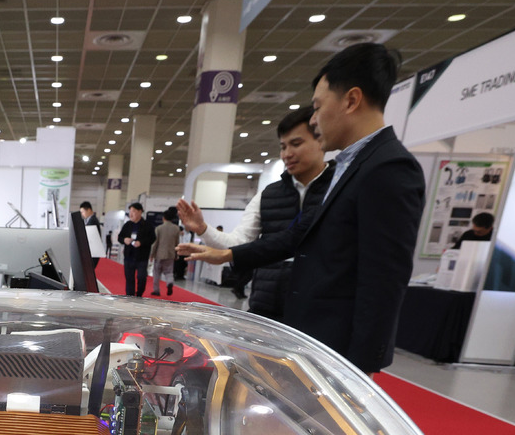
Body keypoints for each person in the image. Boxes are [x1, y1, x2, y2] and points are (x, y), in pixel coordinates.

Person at [177, 43, 425, 374]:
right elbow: (296, 236)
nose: (314, 119)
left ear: (351, 100)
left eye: (318, 107)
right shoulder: (347, 168)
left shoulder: (389, 168)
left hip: (338, 348)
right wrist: (226, 255)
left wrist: (362, 368)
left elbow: (384, 279)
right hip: (310, 335)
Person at [177, 106, 334, 320]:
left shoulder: (339, 189)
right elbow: (238, 242)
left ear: (321, 140)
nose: (287, 154)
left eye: (296, 144)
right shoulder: (268, 195)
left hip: (320, 308)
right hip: (268, 304)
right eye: (283, 146)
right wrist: (203, 229)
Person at [117, 203, 155, 296]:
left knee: (141, 277)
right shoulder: (127, 225)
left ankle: (139, 294)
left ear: (140, 211)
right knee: (129, 278)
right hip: (129, 256)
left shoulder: (147, 225)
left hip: (142, 257)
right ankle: (130, 297)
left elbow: (152, 238)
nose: (131, 214)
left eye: (133, 211)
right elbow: (120, 237)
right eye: (130, 211)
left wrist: (141, 242)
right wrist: (124, 240)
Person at [150, 207, 181, 296]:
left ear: (163, 218)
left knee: (157, 272)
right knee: (169, 272)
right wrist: (176, 254)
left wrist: (152, 254)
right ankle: (169, 282)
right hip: (170, 254)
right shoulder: (176, 229)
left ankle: (156, 290)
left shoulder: (159, 228)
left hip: (159, 254)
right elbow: (177, 243)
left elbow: (155, 243)